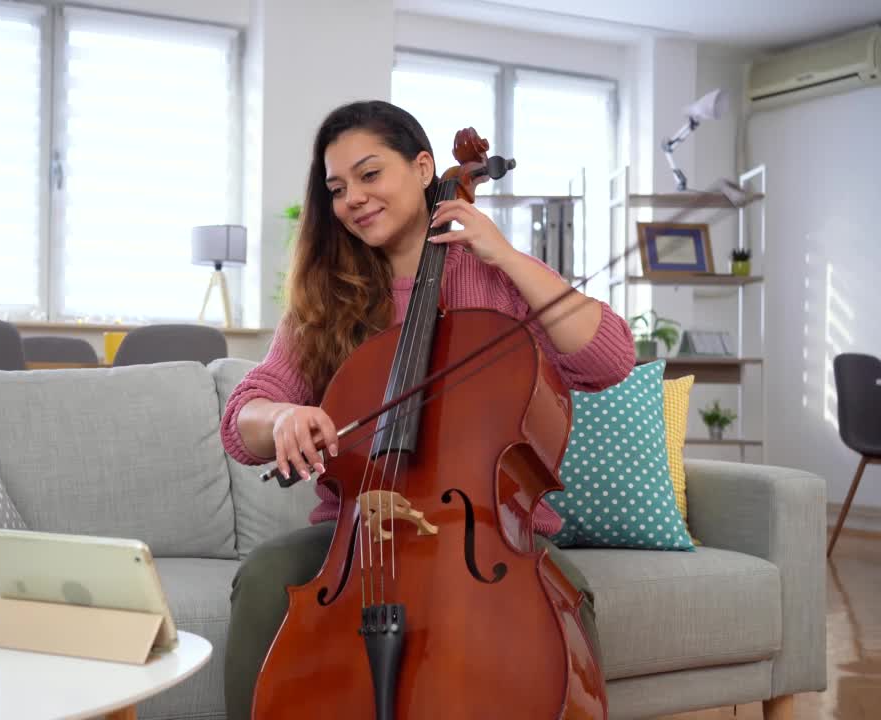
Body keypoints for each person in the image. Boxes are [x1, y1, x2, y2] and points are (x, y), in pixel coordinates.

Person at [217, 100, 635, 720]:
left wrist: (507, 258)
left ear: (422, 168)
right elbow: (241, 418)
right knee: (262, 578)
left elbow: (607, 359)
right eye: (336, 188)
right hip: (357, 538)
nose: (352, 198)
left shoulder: (494, 280)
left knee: (565, 602)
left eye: (369, 174)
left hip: (488, 538)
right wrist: (280, 418)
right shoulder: (324, 301)